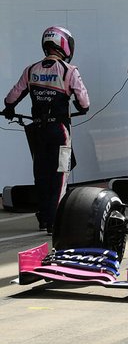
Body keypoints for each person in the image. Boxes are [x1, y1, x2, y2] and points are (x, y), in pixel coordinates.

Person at [3, 26, 90, 233]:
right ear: (64, 45)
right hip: (59, 130)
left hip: (37, 131)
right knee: (60, 174)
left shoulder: (31, 69)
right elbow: (84, 103)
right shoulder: (69, 71)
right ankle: (55, 221)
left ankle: (43, 219)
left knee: (41, 174)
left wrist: (9, 109)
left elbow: (11, 98)